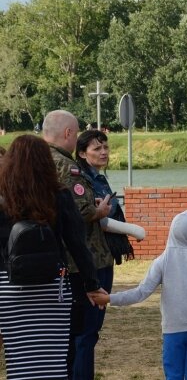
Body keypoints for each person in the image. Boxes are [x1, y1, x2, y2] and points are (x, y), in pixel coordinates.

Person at [0, 135, 106, 380]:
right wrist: (92, 284)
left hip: (9, 286)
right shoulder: (58, 194)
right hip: (53, 287)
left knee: (18, 360)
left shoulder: (4, 196)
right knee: (54, 360)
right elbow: (78, 244)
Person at [91, 210, 187, 379]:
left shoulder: (161, 261)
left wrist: (110, 298)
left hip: (172, 330)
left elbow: (141, 292)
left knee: (173, 375)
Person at [42, 110, 113, 380]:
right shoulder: (66, 165)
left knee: (66, 337)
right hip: (83, 260)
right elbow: (80, 212)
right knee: (85, 333)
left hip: (56, 260)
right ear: (69, 134)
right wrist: (100, 211)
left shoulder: (38, 161)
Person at [76, 130, 135, 265]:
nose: (104, 152)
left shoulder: (99, 178)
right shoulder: (82, 179)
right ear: (82, 153)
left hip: (105, 253)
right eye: (97, 148)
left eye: (106, 147)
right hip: (92, 256)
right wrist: (133, 230)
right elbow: (94, 217)